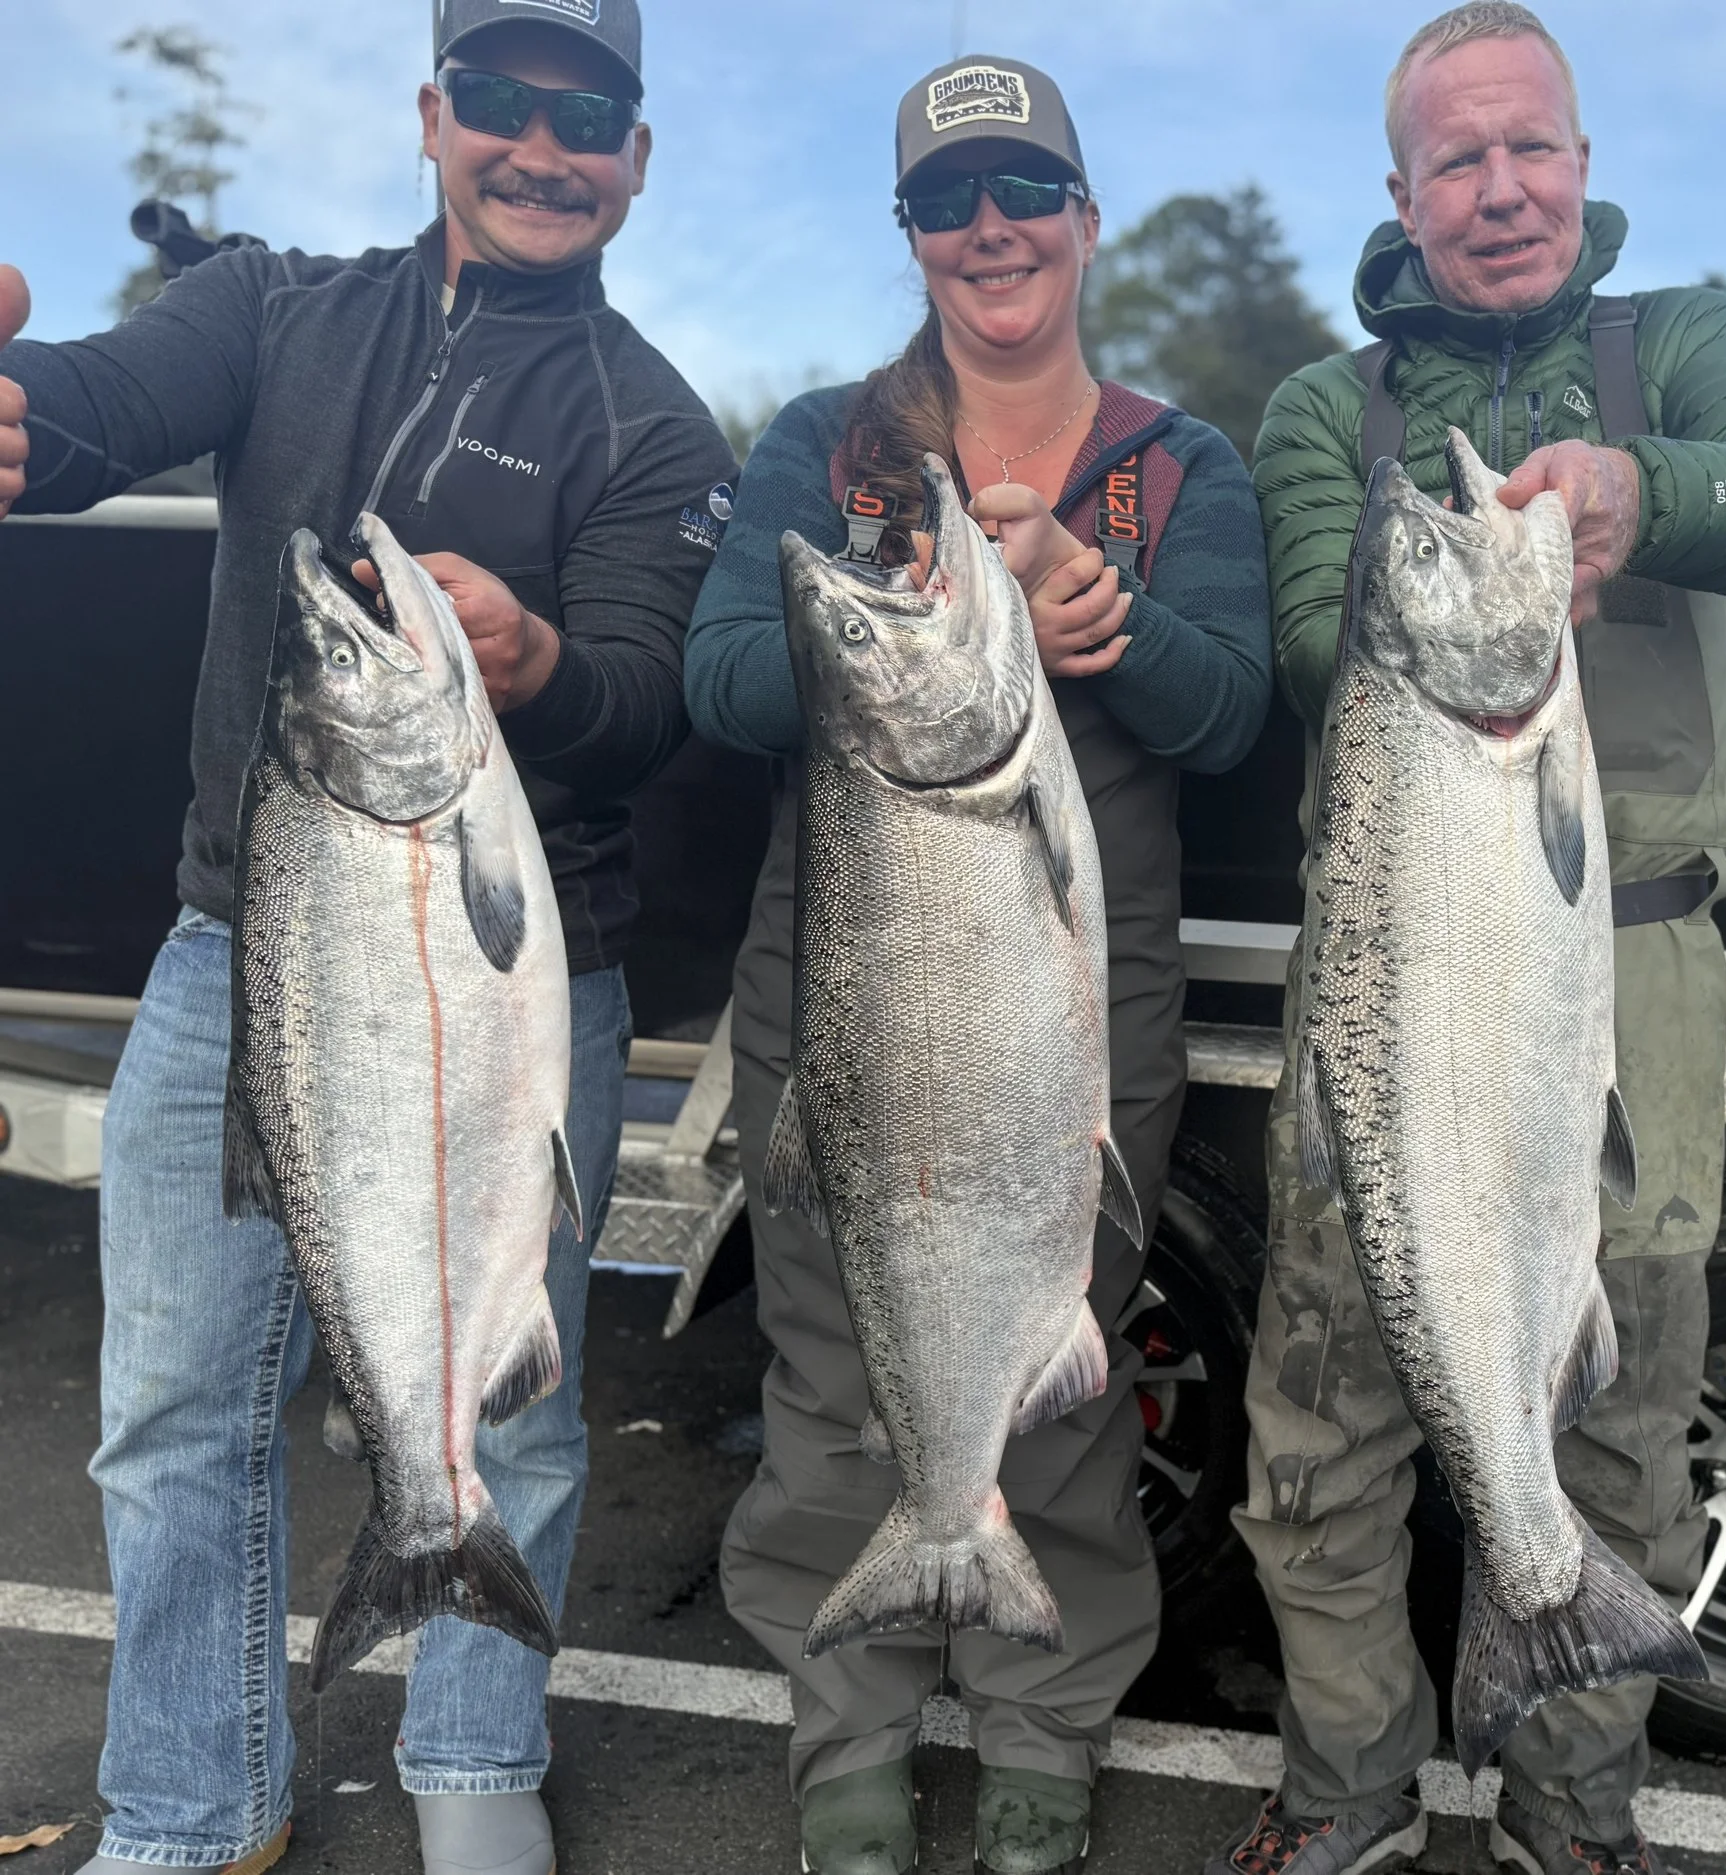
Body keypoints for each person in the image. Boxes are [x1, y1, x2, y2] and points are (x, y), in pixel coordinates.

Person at [0, 4, 736, 1871]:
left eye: (588, 116)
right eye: (499, 102)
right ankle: (191, 1801)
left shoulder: (652, 419)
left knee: (523, 1400)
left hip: (516, 983)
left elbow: (649, 703)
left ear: (637, 157)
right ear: (430, 119)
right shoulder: (271, 308)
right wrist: (21, 420)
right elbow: (91, 410)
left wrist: (541, 661)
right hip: (235, 958)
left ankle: (474, 1748)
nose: (541, 146)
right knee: (173, 1405)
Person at [1210, 7, 1726, 1873]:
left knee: (1620, 1424)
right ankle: (1344, 1792)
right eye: (1457, 162)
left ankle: (1572, 1813)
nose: (1501, 191)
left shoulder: (1687, 343)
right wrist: (1481, 576)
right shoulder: (1332, 407)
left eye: (1531, 149)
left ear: (1581, 158)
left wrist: (1648, 493)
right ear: (1399, 198)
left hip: (1622, 977)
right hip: (1394, 975)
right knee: (1322, 1429)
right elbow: (1328, 647)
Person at [682, 53, 1273, 1875]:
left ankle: (1042, 1719)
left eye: (1025, 192)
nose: (990, 230)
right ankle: (845, 1735)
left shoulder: (1183, 464)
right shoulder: (823, 443)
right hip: (846, 991)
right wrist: (893, 622)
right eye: (950, 202)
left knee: (1068, 1367)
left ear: (1084, 222)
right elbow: (720, 687)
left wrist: (1112, 628)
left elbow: (1238, 712)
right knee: (829, 1373)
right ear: (913, 237)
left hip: (1077, 1012)